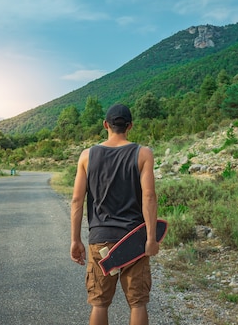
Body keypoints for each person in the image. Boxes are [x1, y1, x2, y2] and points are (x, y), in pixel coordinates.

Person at [70, 103, 159, 325]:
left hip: (100, 240)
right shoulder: (143, 154)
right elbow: (149, 197)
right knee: (137, 302)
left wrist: (75, 240)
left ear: (105, 125)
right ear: (130, 126)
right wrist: (151, 238)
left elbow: (77, 201)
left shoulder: (87, 156)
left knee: (99, 302)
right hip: (133, 241)